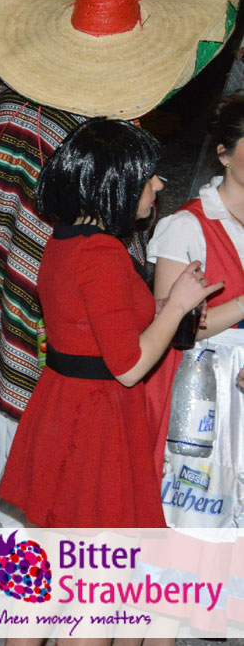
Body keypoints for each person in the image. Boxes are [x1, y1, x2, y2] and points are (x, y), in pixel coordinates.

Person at [0, 0, 241, 520]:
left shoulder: (101, 118)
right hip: (49, 287)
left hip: (75, 286)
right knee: (32, 432)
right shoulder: (34, 116)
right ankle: (10, 539)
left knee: (61, 446)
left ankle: (25, 537)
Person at [0, 119, 217, 528]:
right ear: (117, 182)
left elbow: (90, 320)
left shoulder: (68, 238)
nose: (158, 185)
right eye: (148, 176)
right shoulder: (102, 255)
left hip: (64, 403)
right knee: (93, 548)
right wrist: (176, 308)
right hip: (96, 418)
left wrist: (165, 308)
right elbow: (129, 368)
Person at [147, 95, 244, 527]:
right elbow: (170, 327)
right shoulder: (188, 225)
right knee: (200, 513)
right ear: (223, 154)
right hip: (205, 387)